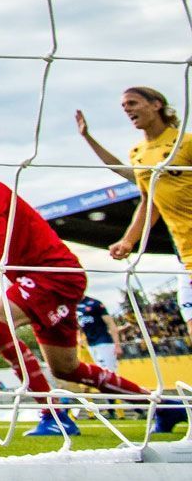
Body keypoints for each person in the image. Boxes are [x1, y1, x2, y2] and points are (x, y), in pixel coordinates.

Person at [0, 132, 169, 436]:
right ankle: (160, 406)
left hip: (53, 274)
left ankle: (53, 415)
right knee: (66, 368)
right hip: (35, 279)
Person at [77, 88, 192, 340]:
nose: (127, 109)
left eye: (132, 103)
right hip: (185, 254)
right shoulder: (138, 153)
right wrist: (128, 240)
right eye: (123, 106)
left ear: (156, 105)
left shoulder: (186, 143)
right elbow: (148, 201)